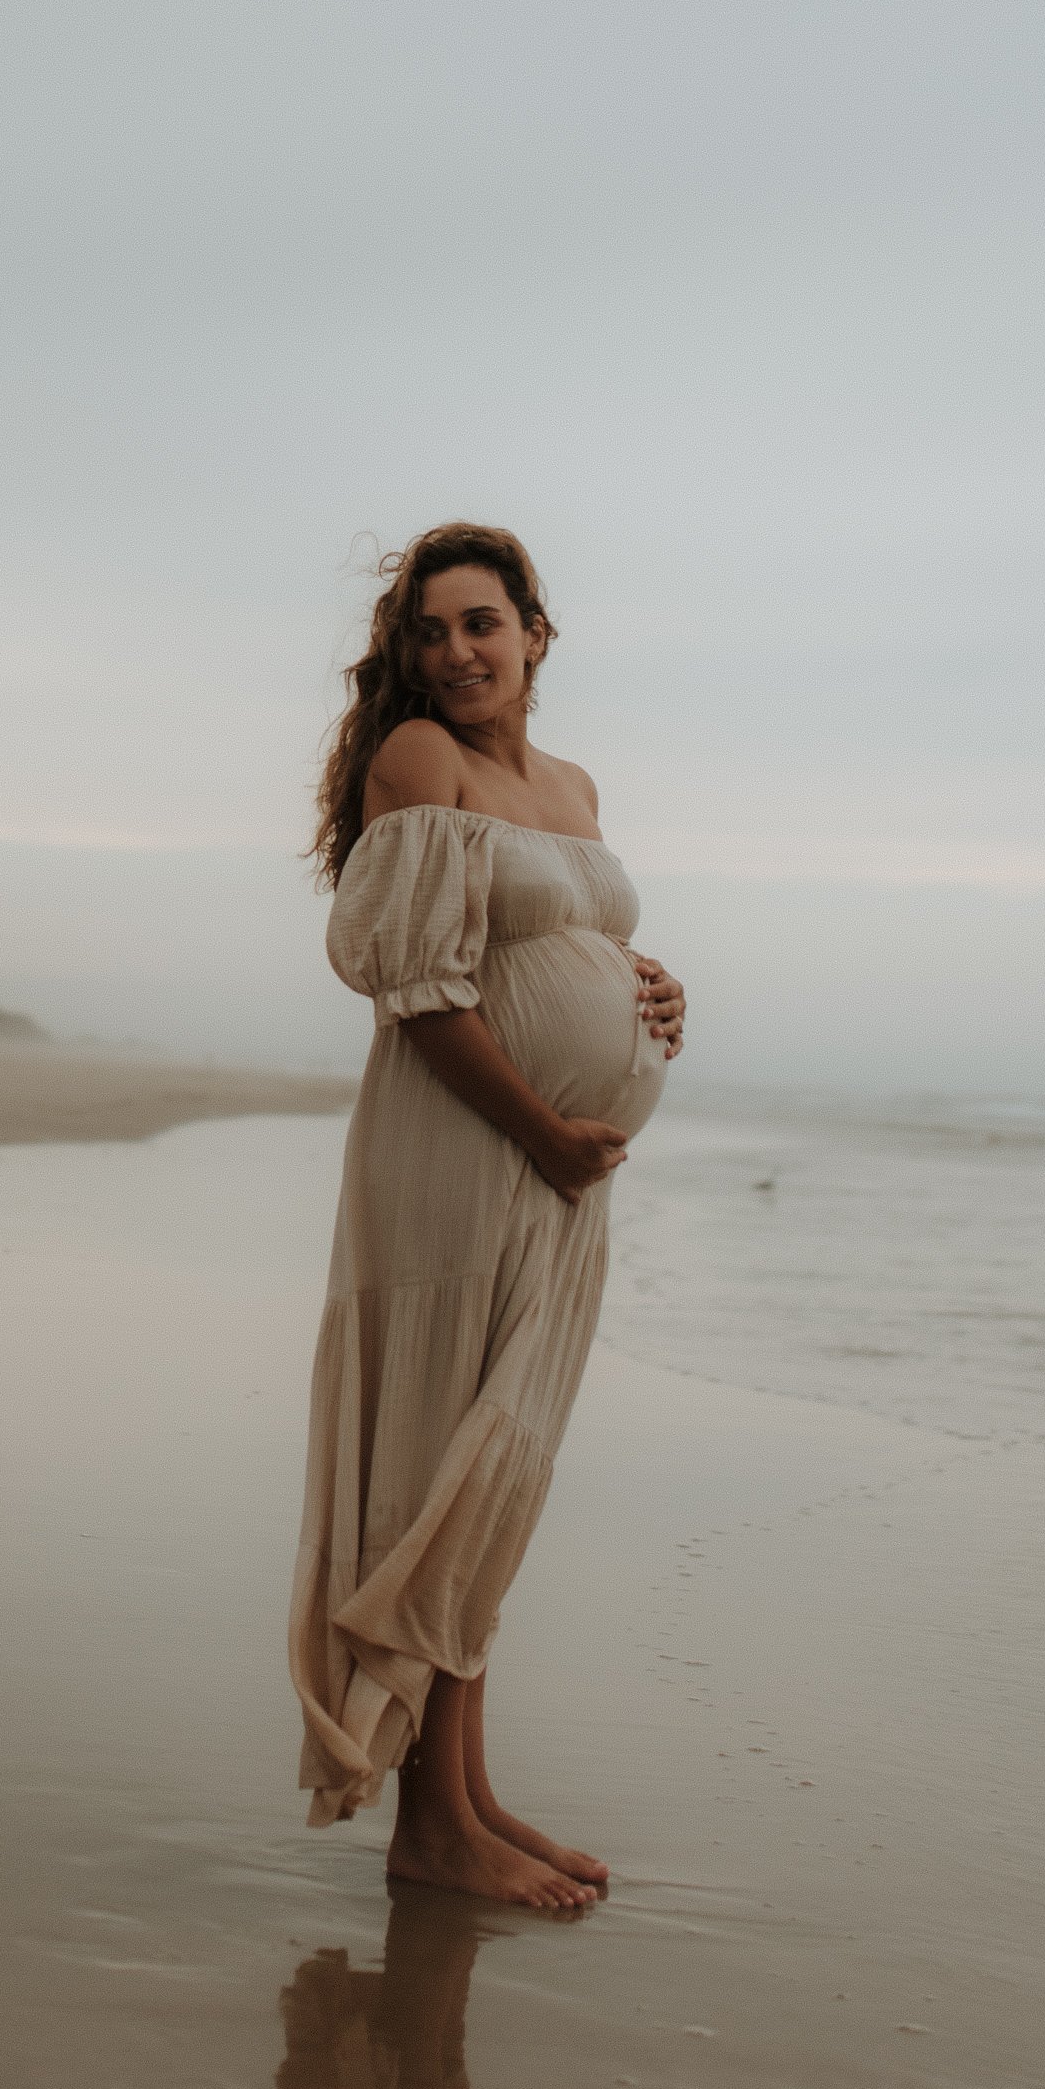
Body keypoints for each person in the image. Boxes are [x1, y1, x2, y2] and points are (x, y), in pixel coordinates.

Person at [290, 523, 686, 1909]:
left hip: (554, 1169)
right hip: (466, 1153)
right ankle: (425, 1829)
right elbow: (422, 987)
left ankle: (463, 1793)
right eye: (430, 631)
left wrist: (651, 997)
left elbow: (563, 941)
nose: (456, 652)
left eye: (481, 624)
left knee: (494, 1479)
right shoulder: (420, 763)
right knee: (439, 1460)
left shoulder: (571, 785)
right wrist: (544, 1131)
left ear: (535, 634)